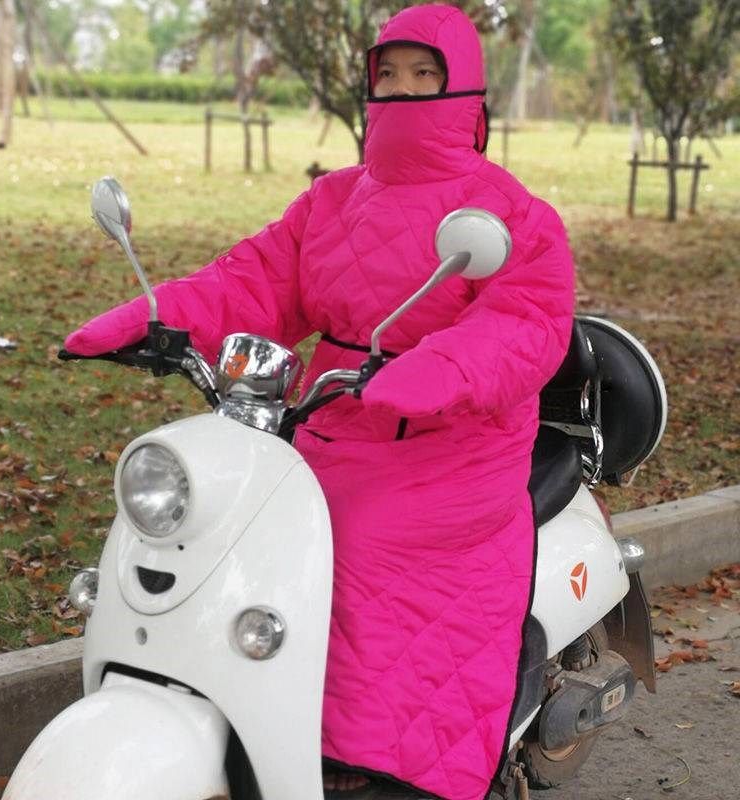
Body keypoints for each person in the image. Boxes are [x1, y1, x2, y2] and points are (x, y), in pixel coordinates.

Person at [65, 5, 575, 800]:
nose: (403, 91)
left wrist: (435, 367)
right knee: (235, 516)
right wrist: (155, 316)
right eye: (390, 75)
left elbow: (524, 323)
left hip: (454, 441)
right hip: (336, 416)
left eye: (425, 76)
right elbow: (255, 279)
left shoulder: (513, 215)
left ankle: (383, 765)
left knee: (359, 540)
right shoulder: (335, 200)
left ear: (466, 93)